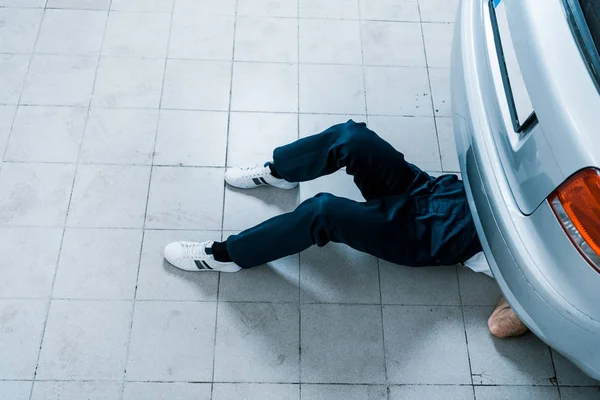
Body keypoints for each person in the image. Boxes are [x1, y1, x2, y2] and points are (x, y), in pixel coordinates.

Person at [163, 120, 528, 339]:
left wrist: (530, 304)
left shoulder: (553, 264)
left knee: (323, 212)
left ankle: (228, 256)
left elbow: (500, 325)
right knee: (351, 137)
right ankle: (281, 172)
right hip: (428, 190)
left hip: (421, 234)